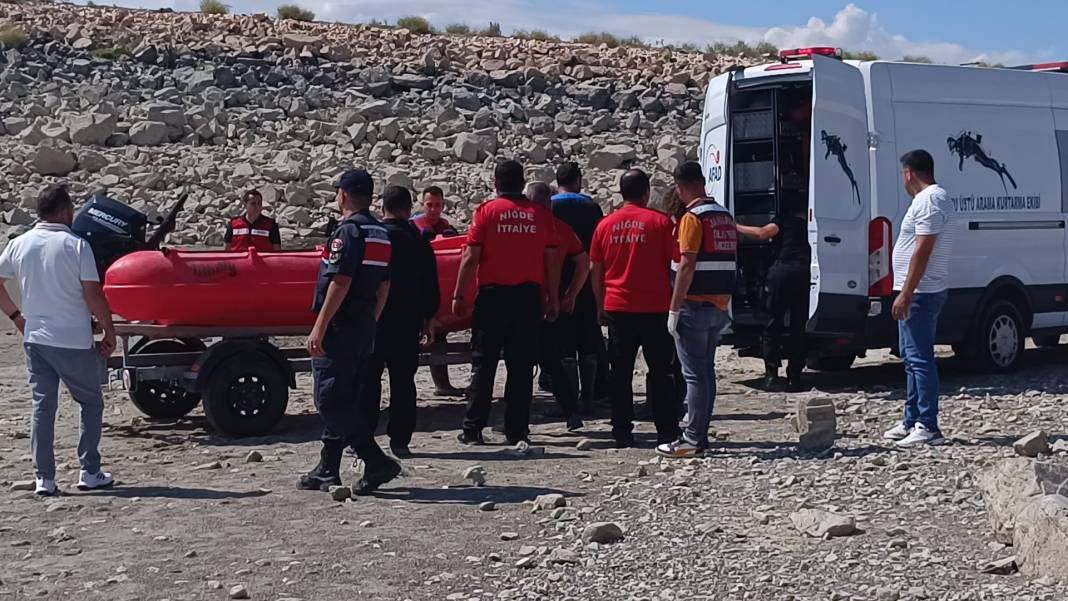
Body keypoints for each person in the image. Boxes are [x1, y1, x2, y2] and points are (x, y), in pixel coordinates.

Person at [0, 184, 117, 496]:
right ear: (65, 211)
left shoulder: (19, 244)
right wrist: (109, 330)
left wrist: (16, 317)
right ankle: (89, 471)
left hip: (36, 338)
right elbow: (93, 294)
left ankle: (45, 478)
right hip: (73, 339)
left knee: (43, 407)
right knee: (90, 402)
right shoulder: (76, 245)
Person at [300, 169, 401, 494]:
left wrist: (320, 325)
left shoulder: (349, 232)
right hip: (363, 325)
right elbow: (384, 284)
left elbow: (340, 281)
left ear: (343, 194)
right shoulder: (380, 232)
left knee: (329, 398)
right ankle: (328, 467)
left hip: (341, 326)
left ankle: (375, 461)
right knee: (345, 395)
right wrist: (372, 319)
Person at [453, 160, 560, 445]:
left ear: (496, 183)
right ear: (521, 182)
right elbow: (551, 262)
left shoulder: (486, 212)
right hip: (528, 298)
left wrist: (459, 295)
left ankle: (473, 429)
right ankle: (517, 430)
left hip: (492, 298)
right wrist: (552, 297)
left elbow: (470, 257)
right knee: (521, 368)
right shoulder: (539, 214)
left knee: (483, 365)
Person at [589, 169, 679, 448]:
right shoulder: (661, 223)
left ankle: (622, 431)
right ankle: (666, 430)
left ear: (621, 192)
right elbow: (675, 264)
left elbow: (596, 268)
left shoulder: (605, 225)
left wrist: (598, 304)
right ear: (647, 192)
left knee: (620, 373)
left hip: (618, 307)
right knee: (662, 372)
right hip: (655, 308)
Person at [657, 162, 736, 458]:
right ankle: (699, 434)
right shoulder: (724, 215)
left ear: (680, 186)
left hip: (694, 305)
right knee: (705, 372)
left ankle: (692, 438)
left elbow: (687, 265)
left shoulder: (693, 218)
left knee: (693, 375)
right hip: (719, 305)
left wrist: (674, 309)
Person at [359, 186, 440, 459]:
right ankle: (400, 440)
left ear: (383, 208)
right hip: (408, 322)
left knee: (369, 380)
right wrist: (429, 319)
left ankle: (365, 436)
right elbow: (431, 283)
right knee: (404, 382)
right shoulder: (419, 240)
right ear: (408, 210)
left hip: (375, 321)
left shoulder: (374, 237)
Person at [884, 150, 953, 448]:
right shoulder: (926, 201)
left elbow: (923, 249)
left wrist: (907, 291)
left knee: (920, 358)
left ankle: (928, 424)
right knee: (910, 358)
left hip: (921, 292)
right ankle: (911, 419)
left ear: (909, 172)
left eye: (902, 174)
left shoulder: (930, 200)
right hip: (916, 291)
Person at [736, 195, 812, 392]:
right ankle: (794, 377)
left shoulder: (784, 220)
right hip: (803, 274)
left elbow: (762, 233)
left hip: (782, 273)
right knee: (798, 327)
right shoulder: (812, 223)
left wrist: (735, 226)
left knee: (773, 323)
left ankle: (771, 376)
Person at [529, 181, 588, 431]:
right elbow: (584, 263)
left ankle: (518, 421)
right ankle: (572, 411)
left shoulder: (525, 227)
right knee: (554, 360)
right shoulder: (562, 229)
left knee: (520, 363)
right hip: (553, 305)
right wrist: (571, 294)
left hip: (526, 302)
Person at [551, 162, 606, 414]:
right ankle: (589, 398)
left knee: (563, 343)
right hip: (588, 281)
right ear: (578, 180)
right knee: (588, 341)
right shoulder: (591, 207)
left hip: (558, 282)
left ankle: (569, 402)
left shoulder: (551, 207)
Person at [414, 188, 464, 396]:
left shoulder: (446, 227)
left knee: (441, 335)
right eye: (429, 205)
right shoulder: (413, 227)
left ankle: (442, 384)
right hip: (419, 291)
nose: (433, 209)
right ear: (422, 205)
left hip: (439, 292)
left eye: (437, 205)